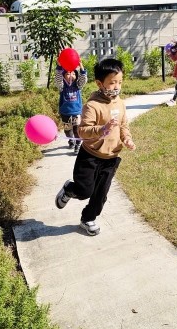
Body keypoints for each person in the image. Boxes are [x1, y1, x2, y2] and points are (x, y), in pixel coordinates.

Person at [55, 58, 136, 236]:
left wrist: (127, 139)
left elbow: (123, 125)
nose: (116, 86)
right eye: (112, 82)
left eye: (120, 82)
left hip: (110, 158)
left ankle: (88, 218)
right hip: (90, 156)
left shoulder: (120, 103)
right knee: (85, 191)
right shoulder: (92, 105)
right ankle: (70, 189)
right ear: (100, 83)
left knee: (100, 195)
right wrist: (102, 129)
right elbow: (82, 131)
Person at [54, 62, 87, 154]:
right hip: (65, 112)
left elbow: (83, 79)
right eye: (68, 74)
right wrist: (59, 66)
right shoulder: (62, 87)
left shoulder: (78, 86)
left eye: (73, 74)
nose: (71, 75)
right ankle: (71, 140)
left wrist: (81, 68)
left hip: (76, 112)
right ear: (64, 76)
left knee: (77, 130)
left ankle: (78, 145)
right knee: (68, 131)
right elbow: (58, 78)